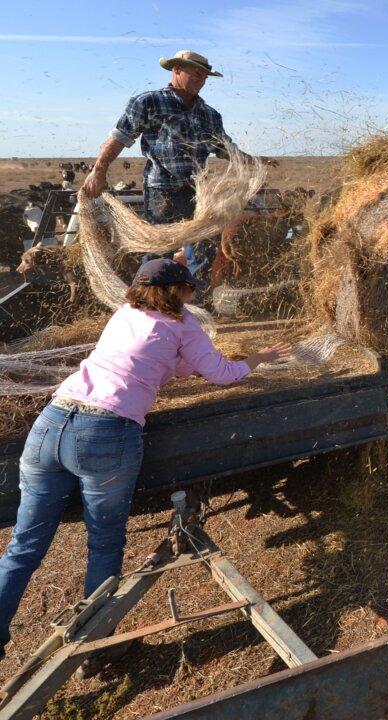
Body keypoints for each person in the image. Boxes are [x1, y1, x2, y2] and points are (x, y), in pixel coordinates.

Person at [0, 259, 291, 660]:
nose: (193, 295)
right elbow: (222, 373)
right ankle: (96, 651)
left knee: (23, 547)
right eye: (189, 289)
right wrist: (258, 358)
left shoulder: (124, 314)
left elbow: (157, 363)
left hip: (51, 424)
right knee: (103, 543)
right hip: (104, 432)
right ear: (176, 292)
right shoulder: (183, 325)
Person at [81, 50, 250, 284]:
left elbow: (224, 148)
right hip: (162, 191)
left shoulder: (209, 114)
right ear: (176, 70)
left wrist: (251, 161)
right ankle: (148, 304)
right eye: (196, 74)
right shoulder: (149, 102)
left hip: (200, 194)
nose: (201, 80)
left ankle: (192, 305)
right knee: (159, 250)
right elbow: (120, 136)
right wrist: (98, 170)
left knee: (203, 248)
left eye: (204, 77)